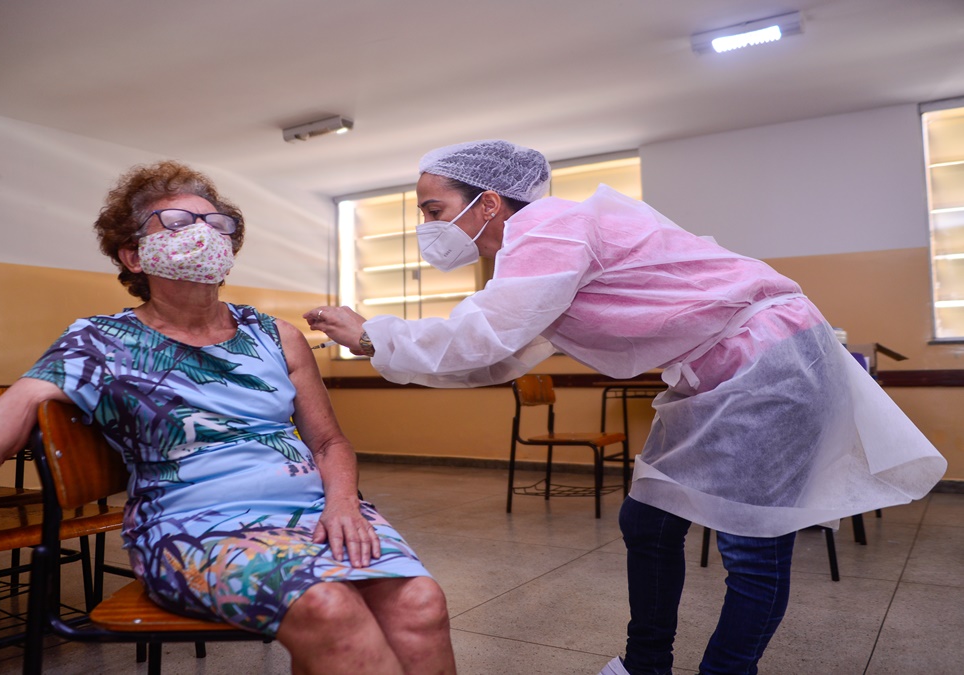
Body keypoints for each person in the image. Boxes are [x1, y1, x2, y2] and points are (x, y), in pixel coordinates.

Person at [305, 139, 946, 675]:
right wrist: (376, 348)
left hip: (770, 362)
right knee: (649, 521)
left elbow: (486, 334)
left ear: (488, 201)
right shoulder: (536, 253)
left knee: (754, 544)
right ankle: (646, 664)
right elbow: (499, 356)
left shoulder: (551, 227)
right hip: (719, 374)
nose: (427, 225)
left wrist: (371, 333)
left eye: (432, 207)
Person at [0, 161, 456, 675]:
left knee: (421, 602)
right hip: (193, 521)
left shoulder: (275, 335)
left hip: (319, 509)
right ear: (132, 253)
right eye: (177, 222)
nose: (201, 232)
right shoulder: (97, 342)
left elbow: (329, 443)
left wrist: (344, 504)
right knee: (328, 609)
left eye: (214, 223)